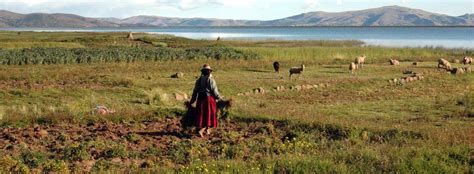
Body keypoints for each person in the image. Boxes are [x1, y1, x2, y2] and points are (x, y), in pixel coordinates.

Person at [189, 64, 221, 137]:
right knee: (210, 116)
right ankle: (201, 131)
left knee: (203, 116)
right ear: (209, 72)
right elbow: (215, 92)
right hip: (208, 100)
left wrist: (192, 101)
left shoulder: (198, 81)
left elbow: (195, 92)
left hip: (200, 100)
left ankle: (207, 130)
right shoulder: (211, 80)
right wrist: (220, 99)